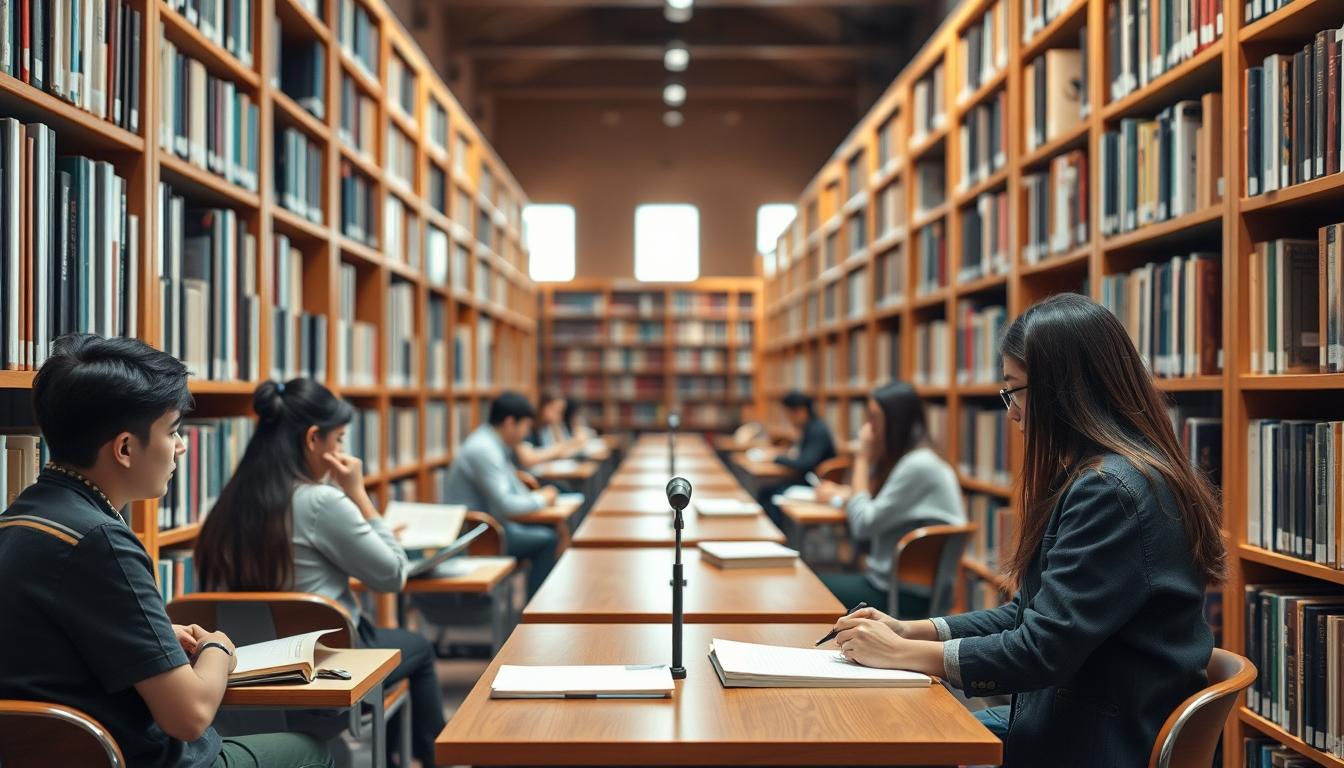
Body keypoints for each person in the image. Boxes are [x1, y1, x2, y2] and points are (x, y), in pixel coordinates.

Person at [826, 294, 1225, 767]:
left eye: (1013, 390)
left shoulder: (1110, 491)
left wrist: (903, 655)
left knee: (893, 741)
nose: (1011, 412)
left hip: (1098, 742)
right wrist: (911, 631)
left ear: (1064, 392)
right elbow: (1030, 613)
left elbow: (1040, 651)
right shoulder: (1110, 476)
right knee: (896, 733)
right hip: (1076, 718)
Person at [0, 334, 333, 768]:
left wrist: (149, 642)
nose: (182, 446)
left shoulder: (17, 520)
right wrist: (219, 649)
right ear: (124, 448)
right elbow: (189, 717)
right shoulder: (102, 539)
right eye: (172, 430)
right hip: (141, 760)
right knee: (311, 751)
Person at [194, 379, 444, 768]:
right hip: (325, 671)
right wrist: (359, 495)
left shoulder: (228, 501)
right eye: (340, 440)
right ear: (314, 439)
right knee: (420, 648)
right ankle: (429, 758)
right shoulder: (321, 500)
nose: (342, 451)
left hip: (243, 675)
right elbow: (393, 575)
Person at [815, 382, 964, 618]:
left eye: (874, 418)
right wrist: (846, 495)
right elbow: (880, 506)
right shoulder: (917, 460)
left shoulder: (918, 466)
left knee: (810, 585)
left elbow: (863, 525)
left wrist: (862, 458)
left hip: (903, 597)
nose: (867, 428)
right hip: (901, 589)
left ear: (896, 421)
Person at [437, 391, 559, 597]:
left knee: (548, 529)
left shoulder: (493, 443)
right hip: (477, 535)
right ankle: (535, 613)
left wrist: (536, 499)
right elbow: (507, 505)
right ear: (511, 422)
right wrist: (542, 499)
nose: (527, 433)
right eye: (526, 426)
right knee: (548, 540)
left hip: (489, 525)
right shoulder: (484, 450)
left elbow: (513, 487)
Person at [756, 390, 837, 528]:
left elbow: (805, 463)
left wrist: (776, 458)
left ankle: (781, 534)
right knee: (766, 491)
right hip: (809, 481)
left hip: (817, 486)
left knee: (769, 495)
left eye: (790, 414)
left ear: (801, 411)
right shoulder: (810, 427)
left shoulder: (817, 430)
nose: (789, 419)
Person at [514, 390, 586, 470]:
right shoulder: (529, 426)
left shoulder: (548, 426)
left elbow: (561, 451)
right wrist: (566, 445)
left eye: (561, 412)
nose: (559, 416)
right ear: (544, 407)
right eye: (557, 411)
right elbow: (528, 459)